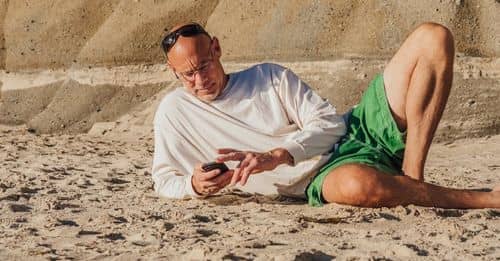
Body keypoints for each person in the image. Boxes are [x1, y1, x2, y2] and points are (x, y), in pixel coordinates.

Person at [152, 22, 500, 208]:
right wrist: (194, 185)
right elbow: (165, 180)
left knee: (433, 37)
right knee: (357, 187)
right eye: (188, 75)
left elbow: (331, 124)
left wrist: (278, 155)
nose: (200, 79)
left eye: (205, 65)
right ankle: (482, 198)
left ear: (216, 48)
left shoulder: (268, 76)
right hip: (324, 176)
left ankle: (412, 177)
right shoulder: (174, 113)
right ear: (175, 75)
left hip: (357, 131)